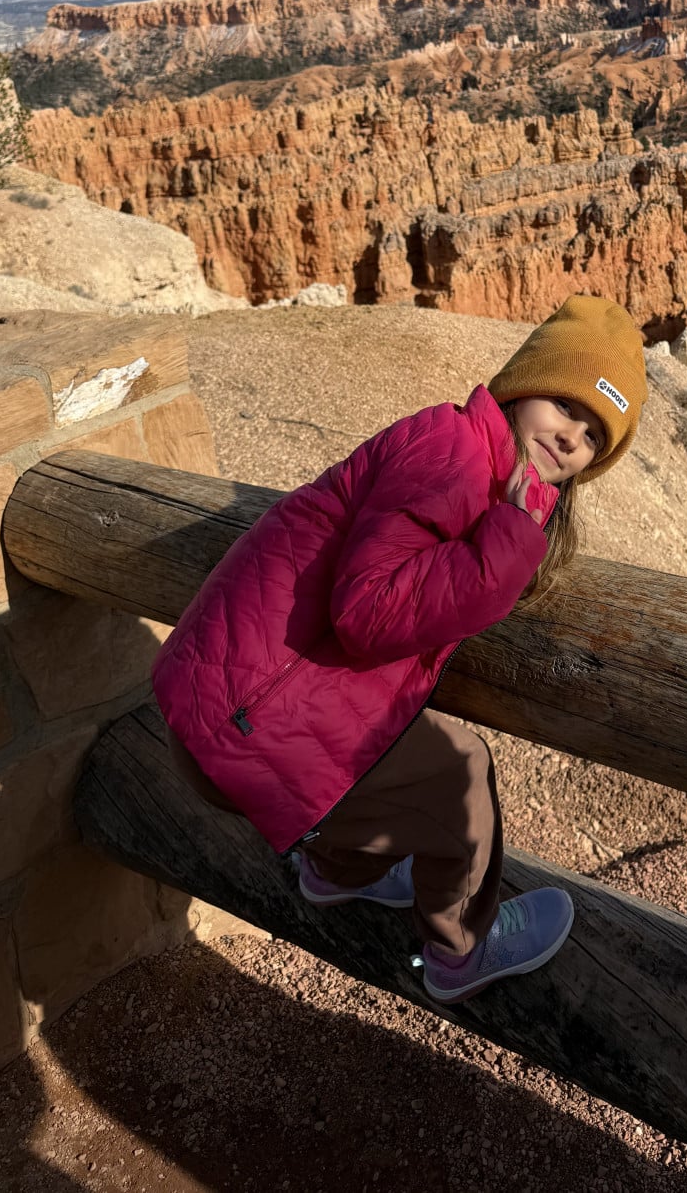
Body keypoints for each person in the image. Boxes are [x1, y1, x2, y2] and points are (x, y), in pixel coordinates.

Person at [152, 294, 647, 1004]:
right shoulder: (454, 453)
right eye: (567, 406)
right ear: (525, 382)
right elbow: (365, 611)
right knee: (461, 775)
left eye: (595, 437)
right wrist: (505, 547)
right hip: (248, 726)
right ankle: (460, 949)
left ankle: (337, 868)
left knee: (401, 750)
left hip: (224, 708)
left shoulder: (470, 453)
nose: (572, 439)